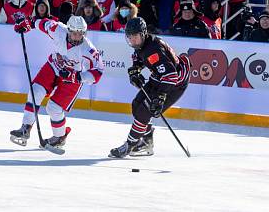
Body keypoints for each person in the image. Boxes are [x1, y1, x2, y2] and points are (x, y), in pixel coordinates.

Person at [10, 15, 104, 151]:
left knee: (53, 108)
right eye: (74, 33)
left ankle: (59, 137)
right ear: (68, 30)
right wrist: (26, 24)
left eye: (80, 34)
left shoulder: (88, 49)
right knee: (35, 91)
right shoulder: (58, 29)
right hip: (53, 66)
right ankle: (26, 127)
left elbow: (98, 72)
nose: (77, 37)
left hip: (72, 77)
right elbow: (41, 23)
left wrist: (76, 76)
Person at [109, 17, 191, 158]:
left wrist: (160, 97)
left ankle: (130, 145)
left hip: (175, 83)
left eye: (135, 36)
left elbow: (171, 75)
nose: (132, 40)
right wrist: (135, 69)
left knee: (145, 111)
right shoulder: (143, 44)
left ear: (143, 33)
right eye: (130, 37)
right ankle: (146, 142)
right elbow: (139, 56)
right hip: (159, 77)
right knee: (137, 105)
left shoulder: (154, 49)